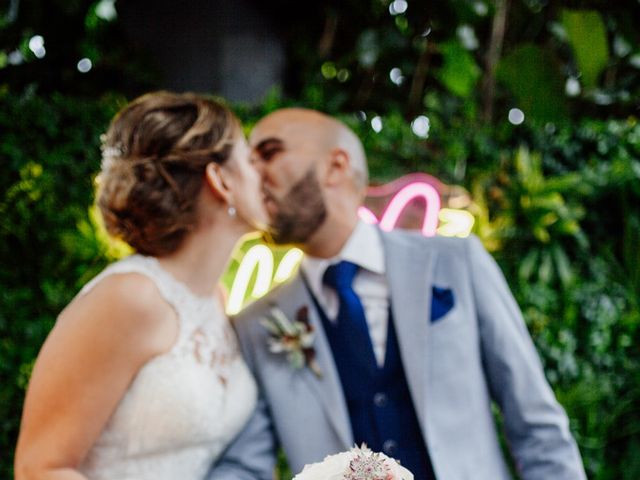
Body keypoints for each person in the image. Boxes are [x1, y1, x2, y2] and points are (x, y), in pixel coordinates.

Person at [210, 108, 587, 479]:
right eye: (247, 160)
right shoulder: (254, 323)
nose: (251, 173)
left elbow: (538, 427)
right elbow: (246, 467)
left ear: (335, 166)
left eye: (268, 153)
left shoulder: (457, 262)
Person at [14, 91, 268, 480]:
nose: (263, 175)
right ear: (220, 180)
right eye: (250, 159)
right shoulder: (129, 298)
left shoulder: (215, 300)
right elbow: (40, 469)